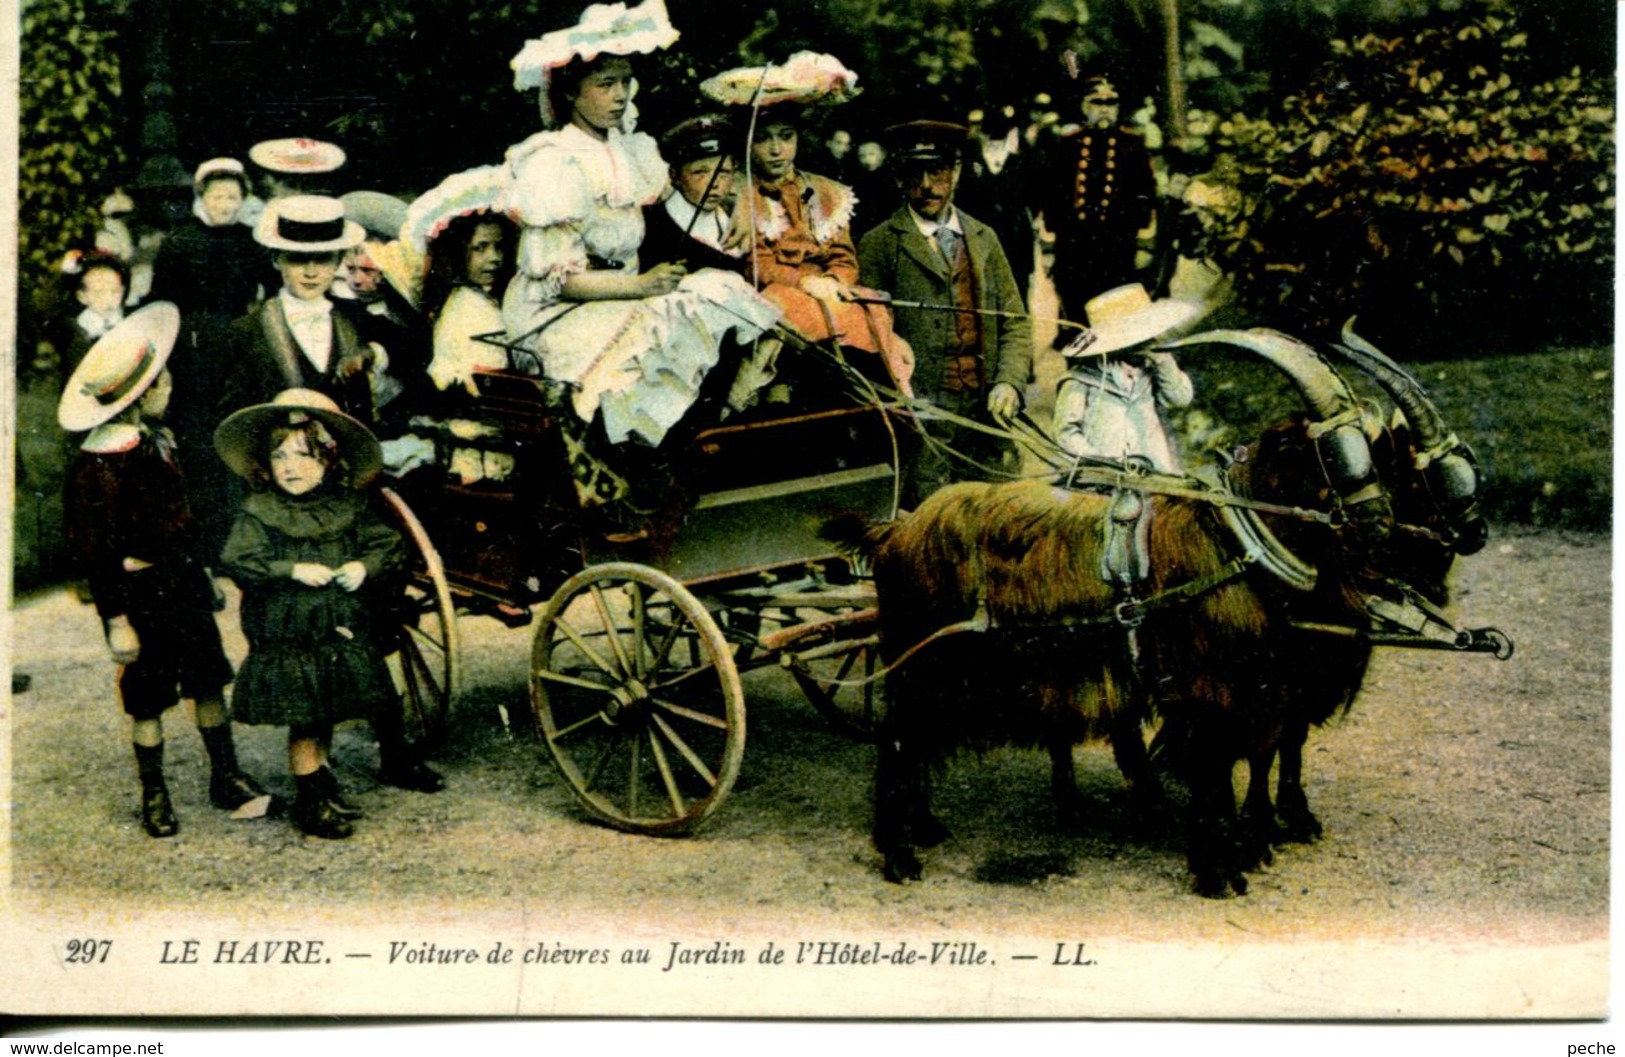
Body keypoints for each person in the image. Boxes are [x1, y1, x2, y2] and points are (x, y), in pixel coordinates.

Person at [501, 4, 780, 505]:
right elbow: (559, 282)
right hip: (558, 311)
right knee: (662, 325)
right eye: (605, 83)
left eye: (625, 81)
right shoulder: (555, 161)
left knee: (721, 292)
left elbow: (689, 185)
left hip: (623, 297)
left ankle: (690, 438)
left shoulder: (630, 150)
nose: (619, 95)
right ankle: (639, 459)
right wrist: (644, 286)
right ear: (571, 92)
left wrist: (739, 199)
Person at [58, 302, 268, 838]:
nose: (169, 390)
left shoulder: (159, 442)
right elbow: (97, 553)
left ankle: (226, 775)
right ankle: (155, 793)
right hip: (141, 593)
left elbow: (183, 521)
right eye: (162, 385)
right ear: (139, 397)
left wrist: (200, 574)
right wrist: (116, 619)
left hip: (181, 584)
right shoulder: (99, 468)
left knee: (207, 681)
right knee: (148, 698)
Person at [215, 388, 441, 840]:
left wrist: (363, 566)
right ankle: (310, 799)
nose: (290, 467)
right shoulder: (259, 512)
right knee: (307, 716)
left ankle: (326, 780)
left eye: (304, 456)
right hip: (291, 634)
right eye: (279, 456)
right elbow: (239, 559)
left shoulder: (348, 506)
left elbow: (387, 544)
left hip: (339, 630)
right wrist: (291, 569)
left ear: (330, 460)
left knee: (339, 700)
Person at [858, 121, 1033, 507]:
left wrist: (1009, 383)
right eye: (912, 173)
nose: (926, 185)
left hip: (987, 415)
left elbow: (1015, 323)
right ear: (897, 178)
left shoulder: (984, 238)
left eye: (937, 171)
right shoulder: (880, 245)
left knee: (997, 517)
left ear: (955, 172)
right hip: (922, 419)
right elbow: (870, 335)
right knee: (935, 524)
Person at [734, 107, 913, 398]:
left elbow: (843, 256)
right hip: (778, 291)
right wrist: (804, 283)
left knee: (867, 317)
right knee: (788, 316)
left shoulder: (825, 190)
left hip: (829, 289)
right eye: (763, 139)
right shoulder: (740, 193)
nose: (777, 149)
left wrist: (833, 280)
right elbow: (757, 261)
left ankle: (880, 399)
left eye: (786, 137)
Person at [151, 157, 270, 557]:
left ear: (243, 199)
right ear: (203, 197)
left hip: (237, 348)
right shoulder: (179, 239)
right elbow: (161, 301)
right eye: (218, 195)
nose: (225, 203)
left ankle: (239, 544)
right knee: (198, 446)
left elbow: (271, 289)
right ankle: (202, 545)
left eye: (233, 196)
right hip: (191, 352)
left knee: (236, 440)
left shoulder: (250, 241)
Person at [218, 195, 378, 426]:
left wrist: (373, 353)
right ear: (276, 259)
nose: (310, 273)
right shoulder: (246, 331)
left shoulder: (355, 318)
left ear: (339, 261)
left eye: (323, 260)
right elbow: (235, 421)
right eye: (297, 260)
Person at [1033, 76, 1157, 329]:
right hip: (1075, 245)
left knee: (1117, 312)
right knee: (1075, 311)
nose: (1104, 108)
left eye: (1111, 102)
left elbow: (1145, 196)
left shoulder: (1132, 145)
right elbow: (1052, 195)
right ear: (1084, 106)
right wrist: (1050, 243)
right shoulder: (1068, 145)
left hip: (1117, 245)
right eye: (1097, 102)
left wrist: (1143, 242)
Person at [1052, 282, 1197, 474]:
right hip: (1106, 474)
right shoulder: (1081, 379)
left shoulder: (1152, 368)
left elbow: (1181, 399)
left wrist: (1163, 362)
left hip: (1155, 469)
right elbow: (1065, 431)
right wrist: (1096, 461)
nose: (1145, 343)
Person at [423, 210, 519, 397]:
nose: (495, 258)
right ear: (459, 251)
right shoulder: (464, 305)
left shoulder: (485, 297)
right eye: (480, 248)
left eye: (498, 247)